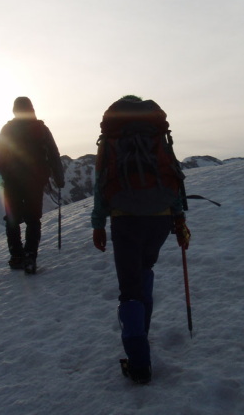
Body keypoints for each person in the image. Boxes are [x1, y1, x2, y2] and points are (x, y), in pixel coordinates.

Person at [91, 95, 191, 384]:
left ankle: (138, 364)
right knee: (144, 270)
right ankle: (142, 334)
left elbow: (101, 182)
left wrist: (98, 224)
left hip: (125, 218)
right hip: (160, 217)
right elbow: (173, 175)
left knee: (129, 289)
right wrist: (179, 218)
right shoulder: (156, 135)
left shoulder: (111, 138)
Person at [0, 96, 65, 274]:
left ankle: (16, 256)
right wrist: (59, 178)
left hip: (12, 181)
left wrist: (5, 175)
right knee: (33, 219)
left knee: (12, 219)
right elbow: (53, 154)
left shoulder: (7, 129)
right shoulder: (41, 129)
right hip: (35, 181)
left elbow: (0, 157)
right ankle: (30, 257)